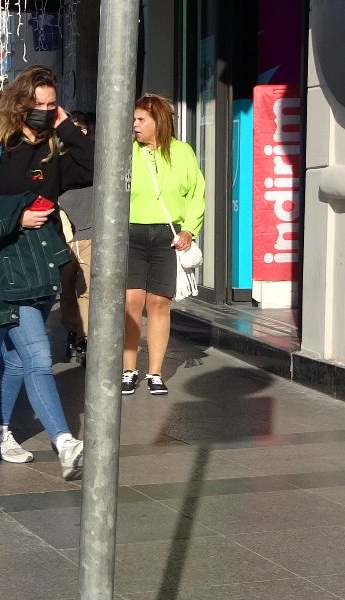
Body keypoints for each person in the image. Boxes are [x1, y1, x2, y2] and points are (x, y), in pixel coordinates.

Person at [0, 65, 93, 479]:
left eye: (51, 105)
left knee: (16, 359)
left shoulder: (55, 147)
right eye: (37, 105)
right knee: (37, 354)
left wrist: (67, 126)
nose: (43, 111)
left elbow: (96, 166)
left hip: (42, 262)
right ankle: (65, 442)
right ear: (19, 104)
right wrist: (19, 217)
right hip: (4, 264)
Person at [125, 93, 205, 395]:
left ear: (158, 121)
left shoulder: (182, 152)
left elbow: (196, 192)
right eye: (134, 119)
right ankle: (128, 369)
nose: (134, 125)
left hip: (168, 238)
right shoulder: (128, 152)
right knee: (132, 302)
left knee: (159, 303)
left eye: (140, 119)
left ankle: (154, 373)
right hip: (131, 234)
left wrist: (190, 230)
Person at [58, 112, 96, 364]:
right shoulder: (57, 158)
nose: (78, 133)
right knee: (67, 288)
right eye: (73, 129)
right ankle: (73, 330)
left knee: (87, 290)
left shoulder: (94, 157)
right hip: (64, 232)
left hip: (89, 232)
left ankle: (85, 337)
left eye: (81, 129)